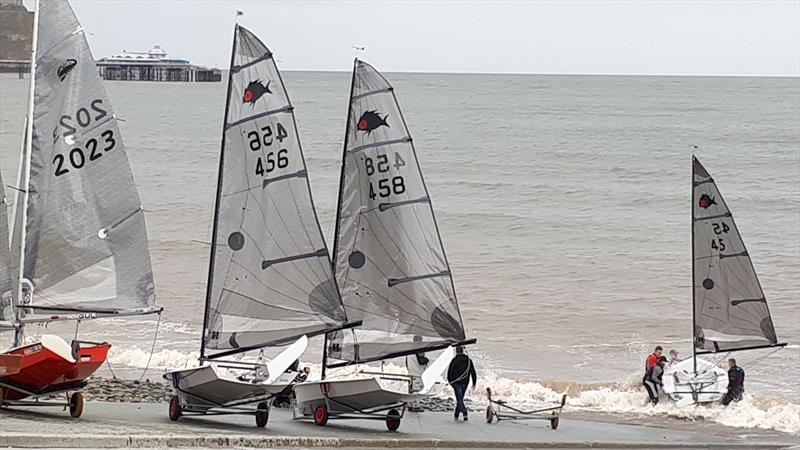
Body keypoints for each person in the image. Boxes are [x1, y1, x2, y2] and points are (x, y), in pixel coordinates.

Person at [447, 346, 477, 421]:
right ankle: (456, 414)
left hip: (456, 382)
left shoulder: (455, 360)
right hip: (465, 382)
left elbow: (450, 372)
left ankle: (465, 413)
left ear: (456, 351)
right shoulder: (469, 360)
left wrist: (450, 382)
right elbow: (473, 372)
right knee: (460, 398)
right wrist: (474, 383)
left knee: (459, 399)